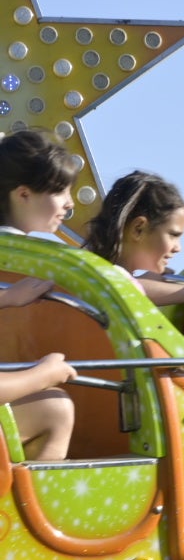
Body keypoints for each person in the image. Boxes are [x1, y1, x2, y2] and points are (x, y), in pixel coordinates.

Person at [83, 172, 184, 346]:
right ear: (138, 229)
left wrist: (143, 280)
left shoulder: (87, 272)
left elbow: (134, 286)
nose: (178, 248)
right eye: (173, 235)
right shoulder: (111, 282)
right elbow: (128, 287)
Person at [0, 128, 78, 459]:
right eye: (60, 190)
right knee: (55, 408)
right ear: (23, 194)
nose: (70, 203)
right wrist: (43, 375)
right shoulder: (40, 253)